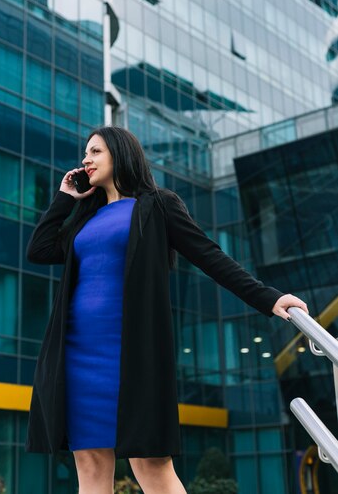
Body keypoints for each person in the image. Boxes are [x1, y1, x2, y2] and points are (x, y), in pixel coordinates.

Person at [24, 125, 308, 494]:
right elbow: (39, 250)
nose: (85, 160)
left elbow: (210, 256)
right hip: (77, 355)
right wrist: (65, 199)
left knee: (151, 465)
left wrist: (268, 298)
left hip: (131, 354)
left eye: (95, 152)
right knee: (90, 463)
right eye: (85, 153)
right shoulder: (85, 216)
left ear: (120, 153)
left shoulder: (157, 205)